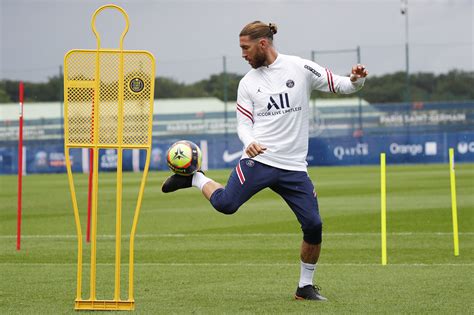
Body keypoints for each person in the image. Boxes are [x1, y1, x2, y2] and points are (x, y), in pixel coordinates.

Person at [162, 21, 368, 301]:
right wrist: (249, 143)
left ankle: (304, 287)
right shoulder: (247, 83)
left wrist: (357, 79)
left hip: (294, 167)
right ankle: (195, 177)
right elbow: (243, 124)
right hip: (258, 161)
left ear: (263, 44)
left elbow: (342, 85)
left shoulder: (299, 67)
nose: (243, 54)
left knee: (314, 225)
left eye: (245, 48)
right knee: (226, 205)